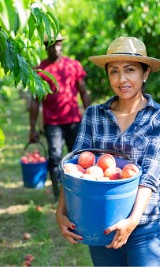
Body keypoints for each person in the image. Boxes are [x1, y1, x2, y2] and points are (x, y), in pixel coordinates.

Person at [55, 37, 160, 266]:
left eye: (130, 70)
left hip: (144, 229)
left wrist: (132, 221)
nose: (121, 80)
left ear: (145, 73)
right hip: (101, 226)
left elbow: (151, 174)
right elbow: (75, 168)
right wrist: (60, 211)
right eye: (114, 71)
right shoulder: (94, 115)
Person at [29, 33, 91, 199]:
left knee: (77, 156)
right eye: (52, 45)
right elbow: (35, 101)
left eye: (58, 44)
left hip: (73, 120)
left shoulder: (73, 66)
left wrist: (90, 116)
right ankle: (59, 193)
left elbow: (83, 92)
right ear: (46, 47)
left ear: (62, 45)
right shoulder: (40, 70)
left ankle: (78, 190)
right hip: (53, 122)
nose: (56, 48)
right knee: (55, 157)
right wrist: (32, 128)